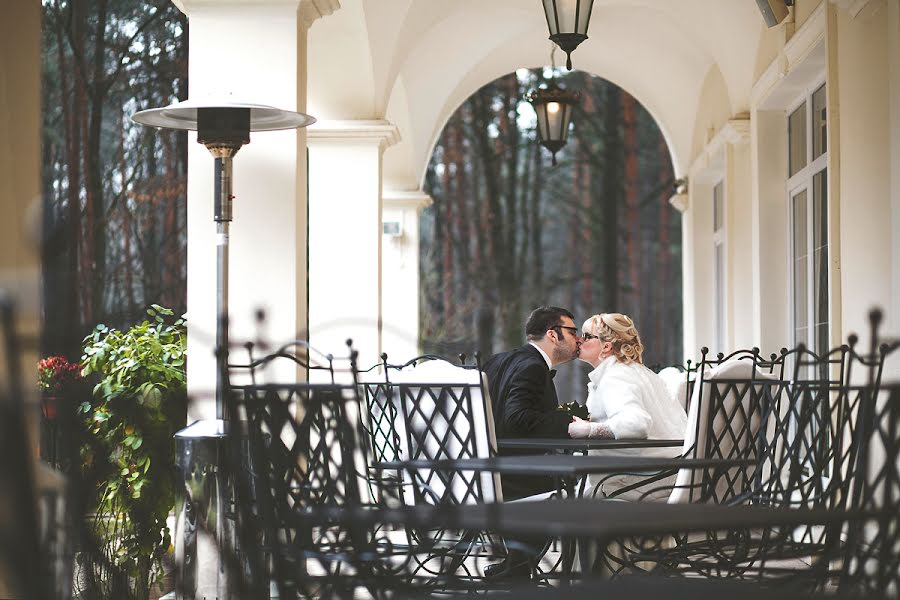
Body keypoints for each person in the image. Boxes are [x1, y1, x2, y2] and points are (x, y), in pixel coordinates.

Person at [481, 306, 581, 579]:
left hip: (480, 474)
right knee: (565, 487)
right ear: (553, 334)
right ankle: (519, 569)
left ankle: (515, 565)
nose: (579, 339)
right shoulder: (533, 368)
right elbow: (516, 420)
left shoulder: (499, 360)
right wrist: (568, 423)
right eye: (573, 332)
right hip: (512, 478)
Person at [568, 312, 687, 500]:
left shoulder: (615, 376)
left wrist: (588, 429)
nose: (579, 340)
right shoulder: (642, 372)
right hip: (677, 475)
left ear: (606, 346)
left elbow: (635, 424)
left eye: (586, 336)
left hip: (641, 480)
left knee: (568, 505)